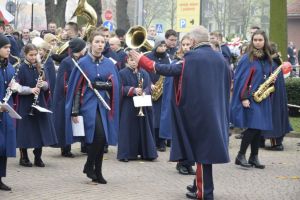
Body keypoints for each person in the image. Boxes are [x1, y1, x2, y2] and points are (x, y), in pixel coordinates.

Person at [130, 25, 230, 200]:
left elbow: (166, 70)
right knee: (204, 151)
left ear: (192, 41)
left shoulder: (191, 59)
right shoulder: (221, 59)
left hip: (198, 114)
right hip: (217, 112)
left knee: (202, 153)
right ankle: (196, 185)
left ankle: (205, 192)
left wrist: (141, 60)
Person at [65, 31, 120, 184]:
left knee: (102, 140)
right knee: (99, 136)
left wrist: (99, 84)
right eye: (97, 42)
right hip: (87, 105)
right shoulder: (82, 63)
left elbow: (115, 84)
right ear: (90, 44)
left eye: (102, 42)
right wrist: (74, 110)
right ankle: (90, 166)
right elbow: (75, 88)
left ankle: (96, 170)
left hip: (104, 105)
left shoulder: (109, 63)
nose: (100, 45)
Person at [231, 30, 276, 169]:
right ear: (252, 41)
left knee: (259, 127)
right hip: (250, 97)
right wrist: (244, 97)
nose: (257, 42)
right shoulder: (247, 58)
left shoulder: (267, 58)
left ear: (265, 41)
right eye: (255, 40)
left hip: (263, 97)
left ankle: (254, 157)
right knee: (253, 126)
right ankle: (240, 155)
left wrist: (271, 79)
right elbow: (241, 79)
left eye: (260, 40)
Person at [16, 43, 57, 167]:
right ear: (25, 55)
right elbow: (16, 86)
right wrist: (30, 90)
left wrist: (42, 84)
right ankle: (23, 157)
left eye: (35, 55)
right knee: (25, 130)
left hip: (39, 102)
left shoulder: (40, 67)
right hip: (25, 103)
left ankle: (38, 156)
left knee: (40, 129)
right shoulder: (21, 68)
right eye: (31, 55)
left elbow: (47, 85)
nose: (33, 57)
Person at [117, 50, 157, 162]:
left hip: (142, 104)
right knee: (128, 128)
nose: (134, 62)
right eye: (131, 60)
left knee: (144, 128)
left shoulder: (143, 72)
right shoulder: (122, 73)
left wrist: (145, 91)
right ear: (127, 61)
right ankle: (126, 154)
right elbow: (119, 88)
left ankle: (147, 153)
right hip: (128, 105)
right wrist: (133, 90)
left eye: (135, 60)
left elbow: (148, 85)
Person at [166, 34, 195, 175]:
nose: (186, 47)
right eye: (183, 45)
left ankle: (189, 162)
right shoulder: (176, 62)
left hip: (192, 102)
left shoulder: (196, 61)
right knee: (180, 132)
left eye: (189, 45)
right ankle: (181, 162)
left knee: (192, 133)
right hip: (178, 101)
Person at [52, 38, 87, 158]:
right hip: (65, 97)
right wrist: (72, 89)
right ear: (79, 49)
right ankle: (65, 148)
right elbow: (62, 81)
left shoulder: (81, 60)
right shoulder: (66, 62)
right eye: (84, 47)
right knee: (65, 121)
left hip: (77, 95)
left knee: (75, 121)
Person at [262, 42, 293, 151]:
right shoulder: (276, 63)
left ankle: (276, 143)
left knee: (274, 117)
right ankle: (262, 139)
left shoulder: (272, 64)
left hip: (273, 96)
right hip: (276, 95)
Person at [146, 38, 171, 152]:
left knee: (161, 117)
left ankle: (161, 142)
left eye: (165, 46)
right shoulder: (149, 56)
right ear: (156, 46)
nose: (163, 48)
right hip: (150, 89)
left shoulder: (167, 58)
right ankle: (152, 141)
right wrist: (149, 84)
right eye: (161, 46)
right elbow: (144, 71)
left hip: (163, 91)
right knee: (152, 116)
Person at [0, 34, 17, 191]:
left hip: (5, 111)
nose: (8, 50)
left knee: (3, 147)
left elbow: (12, 88)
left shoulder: (9, 66)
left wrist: (14, 87)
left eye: (9, 48)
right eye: (5, 48)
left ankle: (0, 178)